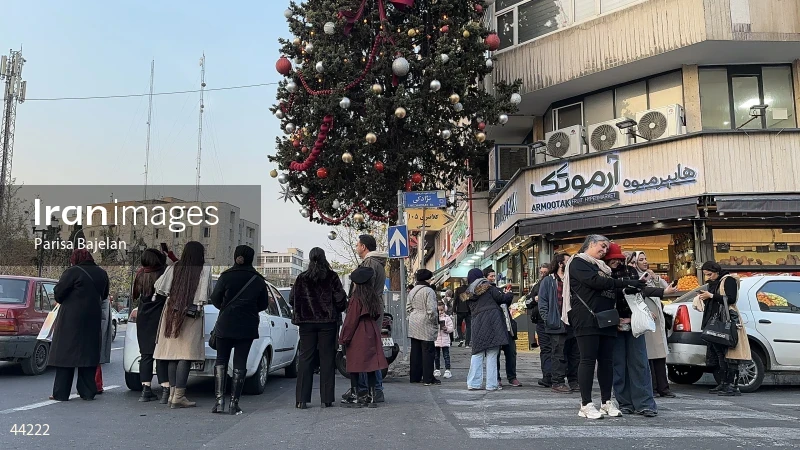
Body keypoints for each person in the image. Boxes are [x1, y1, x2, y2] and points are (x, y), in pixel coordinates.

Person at [563, 235, 645, 420]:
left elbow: (609, 286)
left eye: (606, 248)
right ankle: (585, 404)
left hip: (607, 318)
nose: (604, 250)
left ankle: (606, 402)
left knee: (607, 361)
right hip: (586, 318)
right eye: (602, 246)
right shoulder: (578, 262)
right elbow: (596, 282)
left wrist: (628, 287)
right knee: (588, 360)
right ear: (591, 243)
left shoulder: (603, 267)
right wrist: (625, 282)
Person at [605, 245, 670, 418]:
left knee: (639, 363)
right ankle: (625, 402)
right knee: (619, 365)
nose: (615, 261)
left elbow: (640, 294)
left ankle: (645, 403)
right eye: (612, 259)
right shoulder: (602, 273)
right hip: (613, 324)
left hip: (634, 322)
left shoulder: (630, 271)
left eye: (618, 258)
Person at [153, 241, 213, 409]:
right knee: (185, 355)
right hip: (191, 314)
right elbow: (207, 293)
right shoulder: (203, 268)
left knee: (172, 355)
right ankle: (179, 396)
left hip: (171, 313)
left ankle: (172, 395)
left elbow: (159, 286)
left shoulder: (174, 267)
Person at [210, 245, 269, 415]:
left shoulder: (226, 276)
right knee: (240, 362)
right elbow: (264, 304)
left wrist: (225, 308)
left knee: (221, 360)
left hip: (226, 323)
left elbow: (215, 298)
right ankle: (233, 404)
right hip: (247, 325)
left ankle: (219, 402)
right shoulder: (258, 279)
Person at [49, 249, 110, 401]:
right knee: (88, 354)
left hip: (71, 319)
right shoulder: (102, 273)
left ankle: (61, 393)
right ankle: (87, 392)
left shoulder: (72, 272)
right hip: (93, 318)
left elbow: (59, 295)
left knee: (65, 355)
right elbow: (104, 295)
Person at [291, 247, 347, 409]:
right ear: (324, 258)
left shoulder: (302, 278)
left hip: (306, 323)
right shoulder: (332, 277)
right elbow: (340, 301)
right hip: (327, 323)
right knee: (327, 359)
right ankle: (326, 399)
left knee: (305, 358)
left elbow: (292, 298)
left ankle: (301, 400)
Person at [629, 251, 678, 398]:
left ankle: (663, 387)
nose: (645, 262)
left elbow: (666, 289)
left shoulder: (649, 276)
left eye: (645, 259)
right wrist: (646, 311)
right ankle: (654, 387)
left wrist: (655, 277)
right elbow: (640, 294)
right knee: (650, 354)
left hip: (657, 319)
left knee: (659, 354)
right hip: (646, 320)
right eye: (641, 260)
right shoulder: (634, 278)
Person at [697, 261, 750, 396]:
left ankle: (732, 385)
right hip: (718, 320)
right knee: (720, 352)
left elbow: (731, 299)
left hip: (728, 320)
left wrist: (711, 296)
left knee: (731, 352)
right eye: (706, 275)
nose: (708, 277)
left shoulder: (728, 280)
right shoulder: (714, 283)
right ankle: (724, 383)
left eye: (710, 274)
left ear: (717, 271)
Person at [340, 267, 388, 407]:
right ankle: (372, 396)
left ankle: (356, 395)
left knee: (354, 363)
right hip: (372, 330)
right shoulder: (373, 296)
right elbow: (378, 313)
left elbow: (351, 320)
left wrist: (344, 337)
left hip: (358, 331)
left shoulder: (356, 298)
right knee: (371, 364)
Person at [350, 235, 388, 402]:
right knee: (371, 348)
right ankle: (371, 389)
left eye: (357, 244)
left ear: (364, 246)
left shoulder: (370, 263)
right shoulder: (376, 262)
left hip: (368, 310)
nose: (356, 247)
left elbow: (366, 289)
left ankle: (372, 389)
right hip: (373, 308)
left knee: (367, 349)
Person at [538, 253, 580, 394]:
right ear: (560, 263)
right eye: (568, 261)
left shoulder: (572, 279)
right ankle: (558, 382)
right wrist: (548, 319)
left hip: (572, 322)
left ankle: (574, 381)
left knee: (574, 354)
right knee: (558, 354)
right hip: (556, 323)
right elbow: (543, 302)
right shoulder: (548, 281)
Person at [133, 249, 170, 403]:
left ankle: (145, 390)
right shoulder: (164, 273)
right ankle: (165, 390)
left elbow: (135, 295)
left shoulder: (140, 274)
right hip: (160, 316)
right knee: (160, 354)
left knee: (146, 355)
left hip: (143, 316)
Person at [464, 268, 509, 391]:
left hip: (477, 322)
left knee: (477, 353)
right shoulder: (488, 287)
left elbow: (468, 310)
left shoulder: (468, 292)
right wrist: (509, 294)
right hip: (493, 322)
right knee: (492, 353)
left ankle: (473, 383)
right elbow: (501, 299)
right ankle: (491, 384)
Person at [484, 267, 520, 387]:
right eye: (491, 276)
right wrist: (508, 295)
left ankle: (512, 377)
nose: (493, 278)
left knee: (511, 352)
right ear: (485, 277)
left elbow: (504, 303)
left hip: (507, 325)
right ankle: (497, 377)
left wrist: (507, 295)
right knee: (495, 353)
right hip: (494, 327)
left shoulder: (497, 290)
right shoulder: (487, 291)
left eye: (494, 276)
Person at [407, 269, 440, 386]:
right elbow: (432, 309)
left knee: (415, 351)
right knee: (428, 350)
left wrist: (413, 315)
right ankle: (428, 378)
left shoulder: (413, 290)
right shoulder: (429, 291)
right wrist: (434, 321)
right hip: (426, 321)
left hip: (414, 320)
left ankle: (415, 377)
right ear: (427, 279)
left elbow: (408, 307)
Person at [434, 301, 454, 379]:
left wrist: (446, 329)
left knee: (446, 356)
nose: (440, 312)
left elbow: (451, 328)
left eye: (441, 310)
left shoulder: (447, 318)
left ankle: (447, 369)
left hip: (445, 340)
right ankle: (437, 369)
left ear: (444, 309)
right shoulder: (435, 318)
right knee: (436, 356)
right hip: (437, 340)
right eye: (438, 310)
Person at [453, 280, 471, 347]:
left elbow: (455, 300)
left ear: (461, 283)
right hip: (468, 310)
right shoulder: (469, 289)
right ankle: (467, 343)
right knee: (468, 326)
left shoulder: (458, 290)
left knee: (458, 325)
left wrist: (454, 309)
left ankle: (461, 338)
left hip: (460, 310)